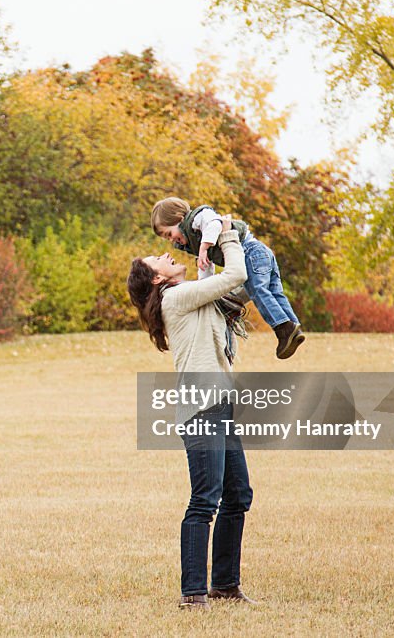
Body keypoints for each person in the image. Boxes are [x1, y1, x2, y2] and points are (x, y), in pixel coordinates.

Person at [127, 216, 258, 609]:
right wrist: (229, 232)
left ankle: (224, 586)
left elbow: (210, 277)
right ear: (156, 280)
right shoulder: (175, 298)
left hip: (218, 406)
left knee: (238, 494)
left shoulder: (185, 294)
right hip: (201, 412)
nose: (167, 254)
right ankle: (192, 594)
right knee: (205, 500)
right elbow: (235, 273)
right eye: (158, 259)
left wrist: (205, 248)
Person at [150, 196, 305, 360]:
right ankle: (293, 328)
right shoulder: (193, 239)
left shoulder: (197, 218)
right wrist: (205, 289)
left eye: (169, 233)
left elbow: (216, 224)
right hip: (258, 253)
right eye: (167, 238)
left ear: (179, 219)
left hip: (251, 252)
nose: (171, 239)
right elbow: (206, 264)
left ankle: (283, 328)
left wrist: (203, 248)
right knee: (274, 292)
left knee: (258, 290)